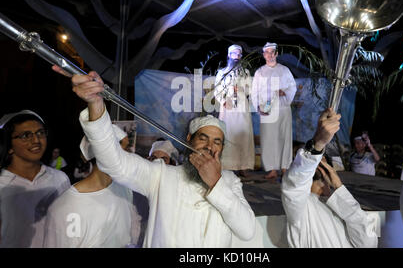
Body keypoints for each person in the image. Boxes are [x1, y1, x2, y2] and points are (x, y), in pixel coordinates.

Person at [52, 65, 255, 247]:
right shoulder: (162, 175)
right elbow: (114, 162)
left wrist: (215, 183)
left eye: (217, 141)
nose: (210, 147)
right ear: (189, 139)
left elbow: (247, 230)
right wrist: (96, 104)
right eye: (203, 138)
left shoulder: (230, 182)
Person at [281, 109, 379, 248]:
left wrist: (339, 188)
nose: (320, 160)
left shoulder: (339, 202)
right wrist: (318, 144)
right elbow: (295, 183)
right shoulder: (301, 207)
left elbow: (369, 243)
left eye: (322, 157)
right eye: (315, 159)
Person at [44, 124, 145, 248]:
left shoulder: (125, 190)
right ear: (105, 153)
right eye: (124, 150)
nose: (130, 155)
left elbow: (129, 234)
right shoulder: (65, 208)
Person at [0, 110, 70, 247]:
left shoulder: (60, 179)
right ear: (9, 147)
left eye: (40, 133)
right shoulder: (2, 184)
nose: (36, 140)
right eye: (26, 135)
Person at [251, 42, 297, 179]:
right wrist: (258, 107)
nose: (270, 55)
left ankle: (284, 167)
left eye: (272, 52)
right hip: (267, 109)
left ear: (276, 54)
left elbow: (292, 87)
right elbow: (255, 92)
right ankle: (271, 169)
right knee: (268, 138)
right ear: (264, 55)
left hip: (283, 108)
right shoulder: (259, 72)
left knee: (284, 137)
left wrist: (285, 92)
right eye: (267, 52)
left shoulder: (284, 70)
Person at [214, 44, 255, 177]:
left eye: (238, 54)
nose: (236, 57)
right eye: (234, 54)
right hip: (228, 107)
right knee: (228, 134)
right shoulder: (222, 72)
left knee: (243, 135)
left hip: (242, 107)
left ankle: (242, 166)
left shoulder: (246, 72)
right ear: (229, 55)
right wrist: (224, 100)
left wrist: (242, 89)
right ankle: (226, 165)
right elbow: (217, 90)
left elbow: (251, 89)